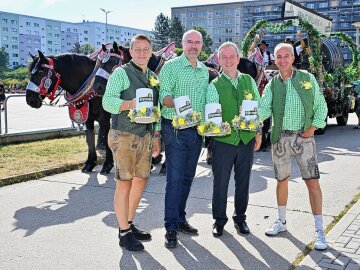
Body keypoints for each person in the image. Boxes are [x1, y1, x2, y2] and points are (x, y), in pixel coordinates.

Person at [258, 43, 328, 250]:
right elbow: (263, 109)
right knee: (281, 180)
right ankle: (281, 222)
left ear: (293, 58)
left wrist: (312, 128)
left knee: (312, 182)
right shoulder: (272, 84)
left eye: (286, 56)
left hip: (304, 137)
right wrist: (248, 120)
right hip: (280, 138)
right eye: (278, 56)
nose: (282, 60)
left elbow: (320, 105)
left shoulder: (307, 78)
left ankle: (319, 230)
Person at [102, 34, 161, 251]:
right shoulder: (121, 73)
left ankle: (127, 223)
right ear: (130, 51)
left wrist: (156, 136)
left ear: (151, 51)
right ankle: (124, 233)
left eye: (146, 50)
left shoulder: (153, 76)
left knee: (141, 181)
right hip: (124, 134)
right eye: (138, 49)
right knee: (124, 183)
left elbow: (157, 111)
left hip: (145, 135)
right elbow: (107, 102)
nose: (142, 53)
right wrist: (130, 104)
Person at [159, 29, 209, 249]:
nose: (193, 46)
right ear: (182, 44)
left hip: (196, 131)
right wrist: (180, 105)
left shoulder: (204, 70)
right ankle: (170, 227)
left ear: (202, 46)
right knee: (175, 179)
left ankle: (180, 219)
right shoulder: (171, 67)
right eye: (189, 42)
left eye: (197, 43)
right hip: (175, 129)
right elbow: (164, 97)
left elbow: (207, 99)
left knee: (188, 178)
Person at [206, 42, 262, 237]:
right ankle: (219, 220)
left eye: (232, 57)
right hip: (224, 141)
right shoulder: (214, 85)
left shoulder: (248, 80)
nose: (228, 61)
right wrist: (218, 126)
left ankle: (240, 219)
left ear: (239, 59)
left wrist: (258, 132)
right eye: (224, 58)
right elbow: (212, 113)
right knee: (220, 182)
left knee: (243, 182)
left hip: (245, 140)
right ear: (219, 60)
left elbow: (257, 107)